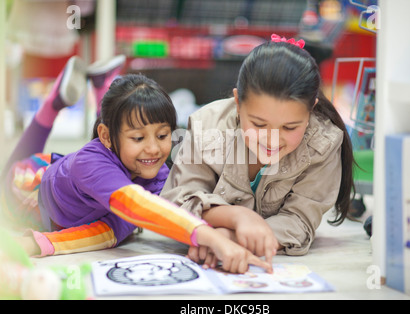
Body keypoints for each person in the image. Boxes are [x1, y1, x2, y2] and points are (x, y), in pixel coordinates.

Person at [0, 56, 272, 274]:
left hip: (94, 177)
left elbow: (167, 211)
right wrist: (35, 243)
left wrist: (226, 233)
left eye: (163, 136)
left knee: (120, 153)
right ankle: (54, 102)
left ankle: (102, 87)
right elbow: (134, 207)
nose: (154, 148)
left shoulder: (155, 172)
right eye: (140, 137)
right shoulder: (91, 161)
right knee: (6, 180)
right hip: (33, 181)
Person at [161, 34, 355, 264]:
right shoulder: (207, 125)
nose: (272, 140)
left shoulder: (324, 144)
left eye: (290, 127)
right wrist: (235, 217)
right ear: (238, 103)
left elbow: (298, 221)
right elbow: (178, 201)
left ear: (311, 110)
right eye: (259, 124)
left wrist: (227, 238)